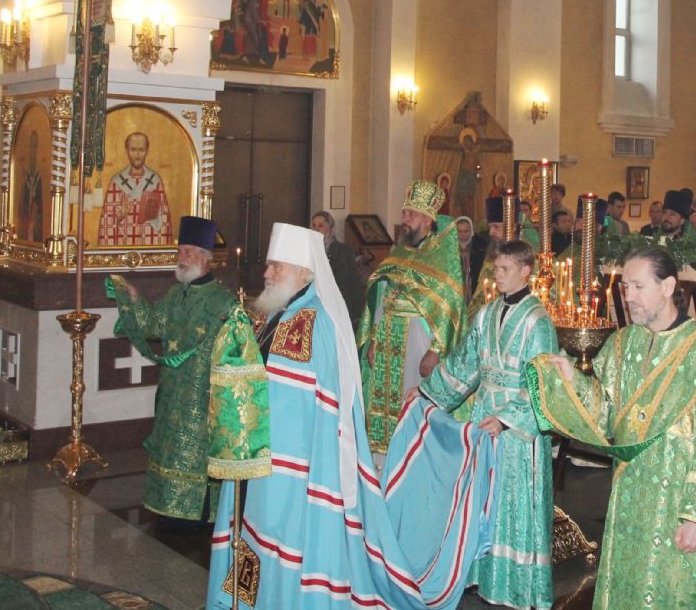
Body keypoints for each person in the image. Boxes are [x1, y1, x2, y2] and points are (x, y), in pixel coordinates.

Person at [208, 222, 495, 609]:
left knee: (279, 532)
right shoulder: (282, 312)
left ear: (303, 272)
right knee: (260, 528)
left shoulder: (313, 321)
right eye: (269, 265)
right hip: (267, 455)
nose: (266, 273)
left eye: (276, 266)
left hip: (294, 465)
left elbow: (306, 400)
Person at [526, 245, 696, 610]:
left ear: (667, 287)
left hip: (677, 505)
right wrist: (572, 381)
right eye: (625, 287)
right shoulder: (624, 344)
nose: (628, 296)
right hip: (629, 498)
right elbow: (606, 416)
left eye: (638, 286)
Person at [408, 239, 557, 609]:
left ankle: (516, 585)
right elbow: (464, 364)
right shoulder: (487, 313)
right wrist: (426, 393)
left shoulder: (538, 321)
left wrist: (506, 420)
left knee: (513, 501)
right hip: (483, 418)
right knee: (482, 496)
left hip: (518, 432)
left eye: (505, 269)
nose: (497, 275)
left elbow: (544, 383)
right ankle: (479, 573)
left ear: (526, 271)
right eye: (496, 268)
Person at [109, 216, 235, 527]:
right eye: (180, 251)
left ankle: (198, 514)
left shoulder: (224, 301)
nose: (182, 257)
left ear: (205, 257)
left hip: (202, 393)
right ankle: (167, 507)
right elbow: (154, 325)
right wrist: (135, 299)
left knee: (196, 453)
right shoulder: (176, 294)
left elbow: (233, 351)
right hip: (172, 390)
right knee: (169, 447)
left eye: (189, 251)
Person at [357, 180, 466, 454]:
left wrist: (436, 350)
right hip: (387, 338)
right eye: (404, 213)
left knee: (413, 400)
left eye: (411, 214)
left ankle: (413, 456)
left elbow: (449, 307)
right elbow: (383, 292)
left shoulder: (442, 257)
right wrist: (374, 337)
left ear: (428, 219)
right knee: (384, 401)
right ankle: (383, 457)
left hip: (419, 341)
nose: (404, 219)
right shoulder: (400, 251)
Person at [98, 131, 172, 246]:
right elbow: (106, 222)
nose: (137, 155)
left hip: (148, 244)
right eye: (133, 150)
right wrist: (120, 215)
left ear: (147, 151)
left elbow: (164, 219)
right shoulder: (116, 182)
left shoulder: (155, 180)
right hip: (122, 246)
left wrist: (153, 218)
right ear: (126, 150)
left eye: (141, 150)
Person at [311, 210, 363, 324]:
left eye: (320, 226)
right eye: (314, 226)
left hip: (339, 306)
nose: (316, 229)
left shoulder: (343, 251)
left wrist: (357, 313)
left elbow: (353, 283)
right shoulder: (309, 251)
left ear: (330, 228)